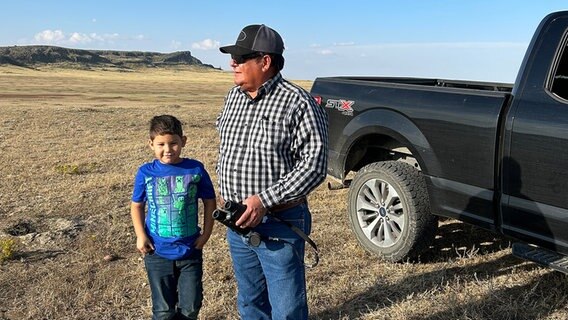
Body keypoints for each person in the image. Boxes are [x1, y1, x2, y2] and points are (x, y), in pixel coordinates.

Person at [216, 24, 328, 319]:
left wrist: (264, 200)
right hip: (237, 221)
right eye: (234, 57)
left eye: (241, 57)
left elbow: (314, 166)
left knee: (287, 308)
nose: (233, 63)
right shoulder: (233, 97)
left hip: (280, 221)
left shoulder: (299, 103)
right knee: (250, 302)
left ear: (265, 62)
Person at [130, 114, 216, 320]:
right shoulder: (146, 172)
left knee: (191, 307)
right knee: (163, 311)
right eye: (161, 144)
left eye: (173, 143)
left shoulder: (195, 169)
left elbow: (210, 201)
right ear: (151, 144)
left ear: (183, 141)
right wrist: (140, 235)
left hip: (190, 251)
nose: (167, 150)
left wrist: (206, 235)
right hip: (157, 252)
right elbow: (137, 205)